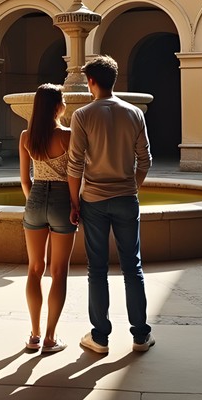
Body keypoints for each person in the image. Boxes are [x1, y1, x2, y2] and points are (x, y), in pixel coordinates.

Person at [67, 55, 154, 354]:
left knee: (97, 269)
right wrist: (132, 186)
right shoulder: (134, 113)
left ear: (91, 82)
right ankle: (141, 335)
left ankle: (100, 338)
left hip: (93, 200)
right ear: (114, 80)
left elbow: (74, 164)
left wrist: (73, 202)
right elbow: (145, 160)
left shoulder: (82, 115)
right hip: (126, 199)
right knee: (133, 268)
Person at [19, 83, 77, 354]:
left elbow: (24, 179)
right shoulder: (67, 136)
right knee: (58, 271)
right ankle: (51, 338)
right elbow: (77, 176)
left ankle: (34, 335)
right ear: (57, 105)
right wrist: (75, 204)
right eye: (62, 99)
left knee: (34, 269)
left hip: (36, 197)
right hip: (62, 199)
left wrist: (34, 200)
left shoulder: (25, 137)